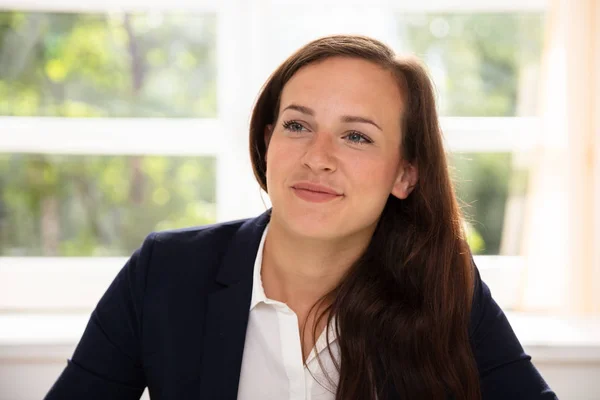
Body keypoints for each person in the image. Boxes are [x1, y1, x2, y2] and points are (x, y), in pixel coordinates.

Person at [44, 34, 557, 400]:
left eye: (356, 135)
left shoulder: (445, 285)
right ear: (268, 143)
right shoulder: (165, 270)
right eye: (296, 125)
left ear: (405, 175)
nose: (318, 156)